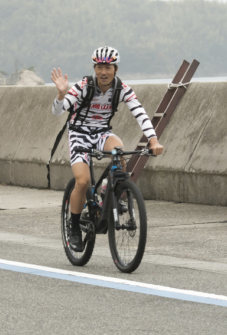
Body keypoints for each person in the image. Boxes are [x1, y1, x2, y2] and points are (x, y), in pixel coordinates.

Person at [51, 46, 164, 252]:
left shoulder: (122, 89)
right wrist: (61, 94)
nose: (104, 72)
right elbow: (57, 111)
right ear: (94, 68)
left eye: (108, 67)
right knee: (83, 181)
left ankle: (110, 190)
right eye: (100, 67)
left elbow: (140, 113)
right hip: (79, 134)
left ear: (116, 69)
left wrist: (153, 140)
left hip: (102, 132)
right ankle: (74, 228)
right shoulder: (84, 85)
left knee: (119, 150)